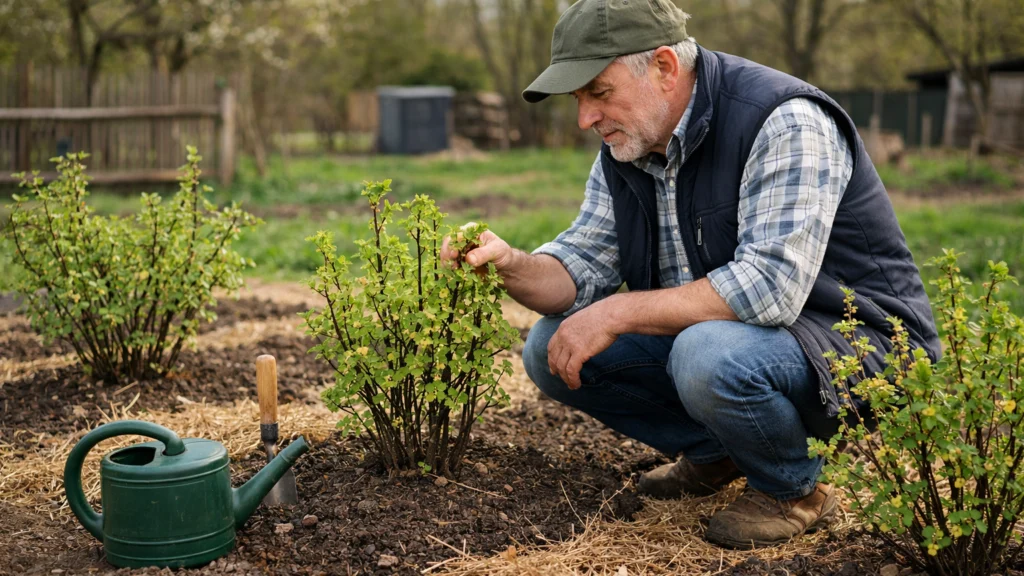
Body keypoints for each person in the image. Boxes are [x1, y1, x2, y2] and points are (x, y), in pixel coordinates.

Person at [441, 0, 940, 549]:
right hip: (741, 342)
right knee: (548, 347)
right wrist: (512, 265)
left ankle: (793, 489)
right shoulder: (629, 148)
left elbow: (769, 289)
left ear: (663, 67)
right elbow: (580, 265)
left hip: (861, 346)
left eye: (599, 93)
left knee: (705, 354)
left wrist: (618, 311)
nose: (585, 118)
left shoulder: (784, 120)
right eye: (578, 99)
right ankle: (718, 450)